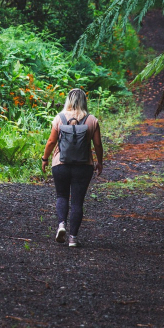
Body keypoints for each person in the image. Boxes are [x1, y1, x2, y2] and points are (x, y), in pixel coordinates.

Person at [41, 88, 104, 247]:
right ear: (84, 101)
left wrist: (45, 158)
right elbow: (97, 144)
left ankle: (61, 225)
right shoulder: (92, 120)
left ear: (68, 100)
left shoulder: (59, 118)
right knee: (77, 202)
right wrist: (100, 162)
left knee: (61, 196)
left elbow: (50, 142)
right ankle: (73, 239)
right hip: (84, 166)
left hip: (60, 165)